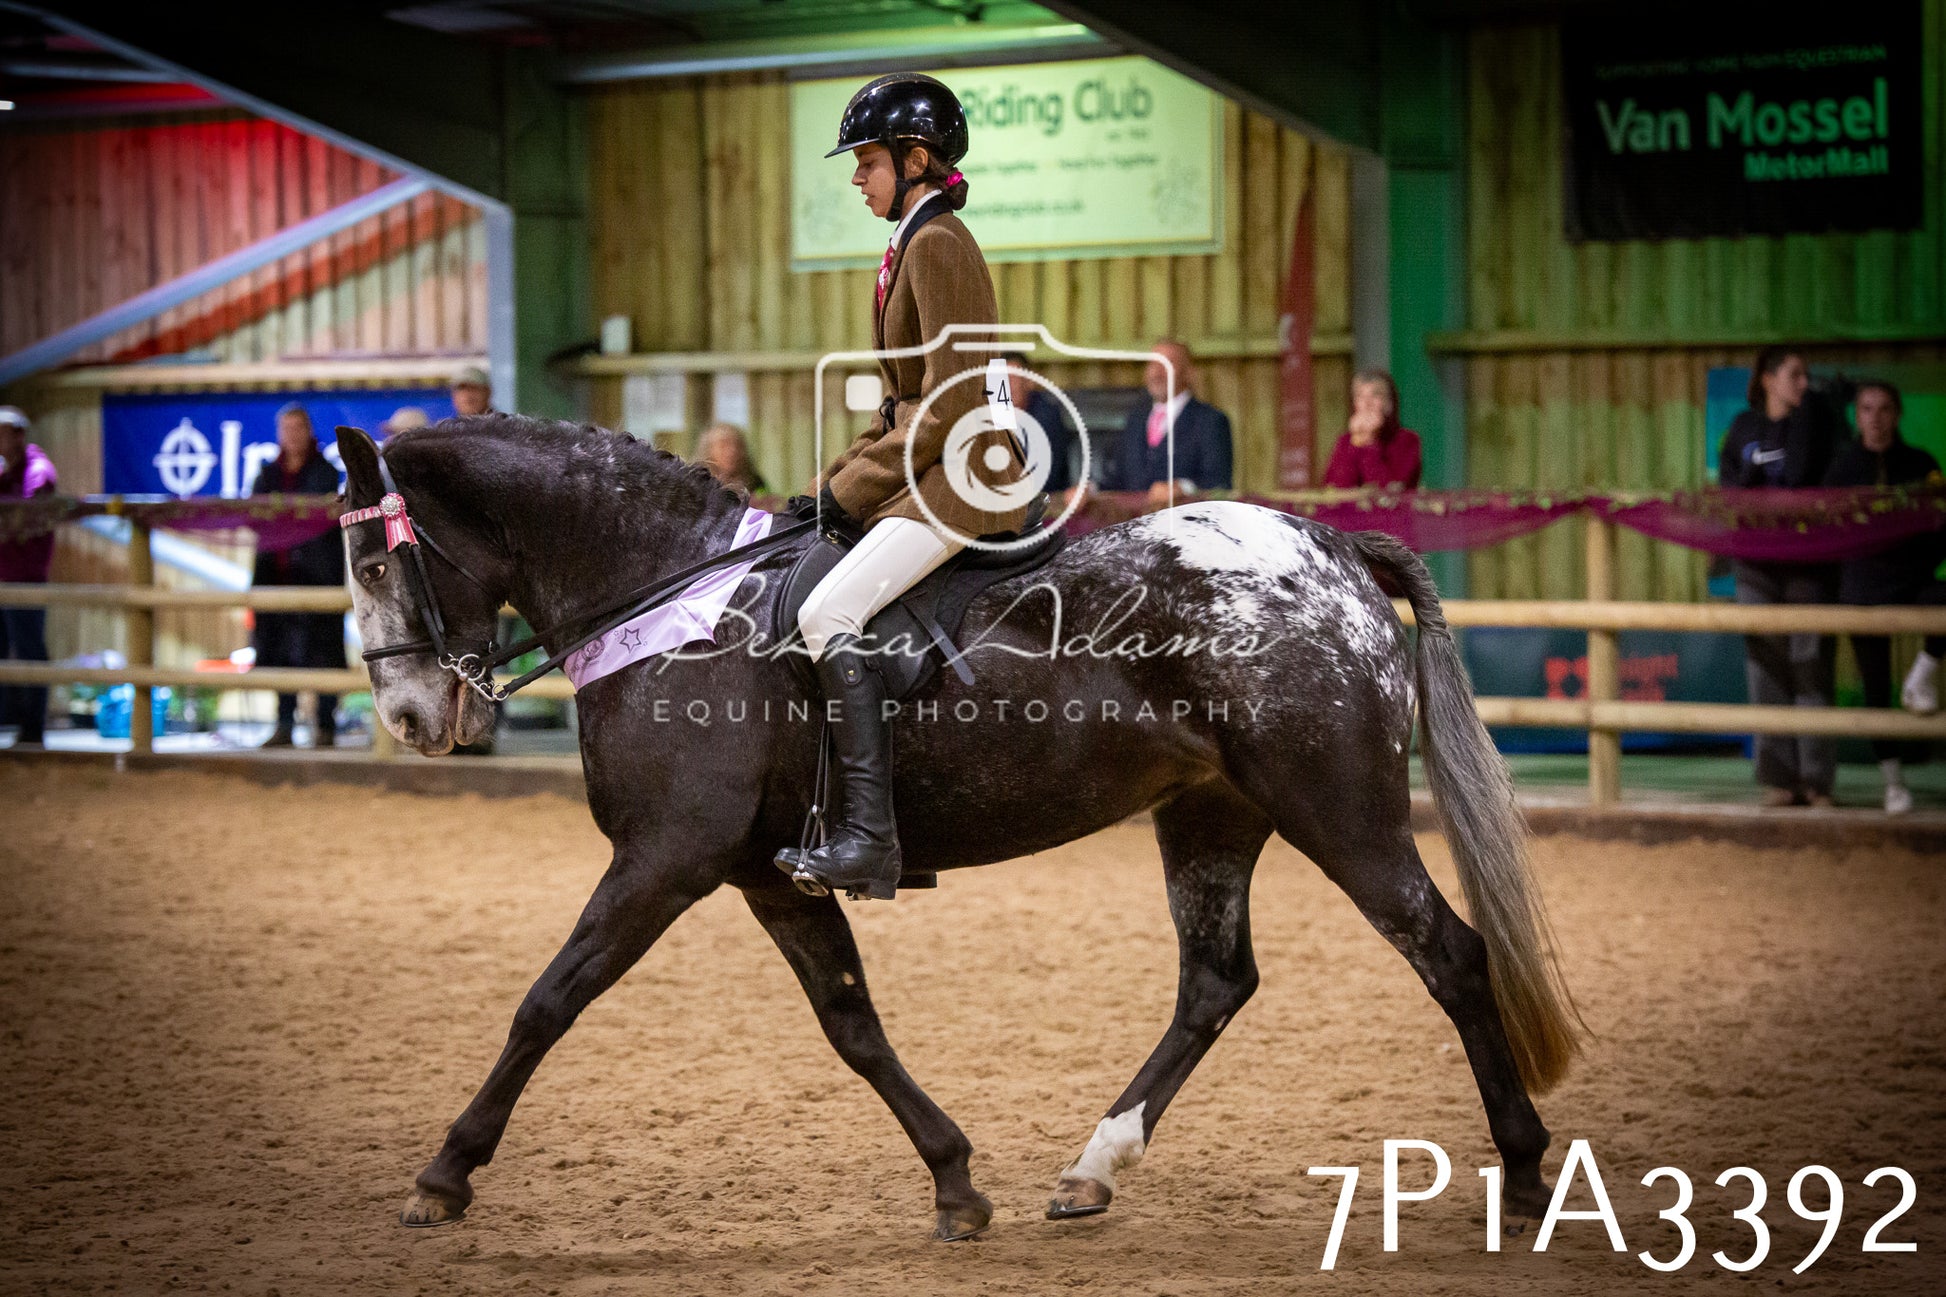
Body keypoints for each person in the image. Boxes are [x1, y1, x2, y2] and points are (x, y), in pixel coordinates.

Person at [772, 72, 1027, 902]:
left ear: (915, 159)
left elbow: (950, 403)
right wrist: (832, 480)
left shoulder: (938, 243)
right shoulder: (912, 240)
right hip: (931, 463)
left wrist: (850, 491)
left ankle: (870, 840)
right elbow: (902, 404)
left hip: (965, 477)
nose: (856, 177)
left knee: (826, 613)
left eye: (867, 161)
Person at [1718, 347, 1846, 807]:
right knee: (1765, 666)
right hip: (1755, 563)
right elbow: (1728, 489)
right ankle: (1779, 780)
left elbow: (1807, 479)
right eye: (1795, 375)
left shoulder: (1821, 424)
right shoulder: (1742, 427)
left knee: (1810, 662)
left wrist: (1812, 416)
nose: (1804, 384)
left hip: (1809, 563)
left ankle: (1816, 781)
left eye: (1807, 376)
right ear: (1768, 380)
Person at [1823, 380, 1946, 815]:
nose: (1875, 418)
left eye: (1884, 409)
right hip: (1862, 590)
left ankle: (1920, 679)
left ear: (1898, 414)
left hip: (1913, 583)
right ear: (1856, 416)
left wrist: (1918, 563)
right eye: (1867, 409)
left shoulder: (1922, 464)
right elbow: (1825, 530)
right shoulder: (1841, 469)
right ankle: (1894, 784)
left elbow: (1941, 526)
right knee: (1875, 688)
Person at [248, 404, 347, 747]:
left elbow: (315, 516)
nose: (291, 436)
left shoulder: (325, 473)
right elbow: (255, 515)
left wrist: (284, 515)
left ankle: (325, 726)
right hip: (276, 576)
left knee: (323, 651)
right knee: (279, 651)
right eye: (286, 429)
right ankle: (284, 725)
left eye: (297, 428)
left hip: (317, 577)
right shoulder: (267, 474)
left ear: (308, 431)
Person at [1110, 340, 1232, 505]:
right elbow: (1117, 478)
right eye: (1153, 364)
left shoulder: (1211, 421)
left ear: (1189, 373)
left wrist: (1182, 488)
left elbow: (1219, 484)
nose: (1157, 373)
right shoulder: (1135, 420)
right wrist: (1089, 488)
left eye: (1167, 364)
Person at [0, 406, 56, 749]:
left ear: (19, 435)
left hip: (25, 577)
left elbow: (29, 513)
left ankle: (33, 729)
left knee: (30, 651)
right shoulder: (7, 472)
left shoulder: (38, 471)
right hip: (5, 576)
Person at [1322, 368, 1423, 490]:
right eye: (1360, 396)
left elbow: (1388, 489)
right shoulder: (1346, 441)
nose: (1367, 403)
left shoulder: (1407, 440)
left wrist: (1370, 443)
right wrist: (1356, 442)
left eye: (1375, 395)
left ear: (1389, 403)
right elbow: (1336, 487)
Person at [1008, 369, 1079, 492]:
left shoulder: (1047, 416)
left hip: (1048, 497)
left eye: (1013, 378)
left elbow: (1042, 478)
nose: (1007, 385)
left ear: (1029, 382)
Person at [695, 423, 767, 495]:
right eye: (723, 446)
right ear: (708, 450)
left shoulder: (754, 482)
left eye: (738, 445)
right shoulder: (696, 482)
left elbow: (763, 500)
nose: (732, 452)